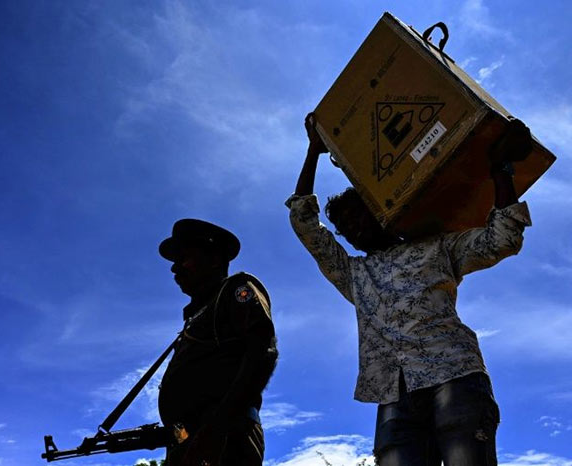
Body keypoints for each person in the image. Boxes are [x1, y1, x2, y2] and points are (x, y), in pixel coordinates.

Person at [286, 113, 533, 465]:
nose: (353, 228)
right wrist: (313, 151)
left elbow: (503, 238)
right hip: (394, 395)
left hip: (455, 376)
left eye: (358, 215)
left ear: (379, 212)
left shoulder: (437, 248)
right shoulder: (354, 274)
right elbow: (303, 222)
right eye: (344, 227)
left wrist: (501, 169)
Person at [157, 218, 278, 466]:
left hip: (224, 436)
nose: (175, 269)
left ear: (213, 259)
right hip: (191, 440)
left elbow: (263, 350)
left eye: (184, 258)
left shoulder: (235, 289)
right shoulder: (198, 314)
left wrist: (216, 429)